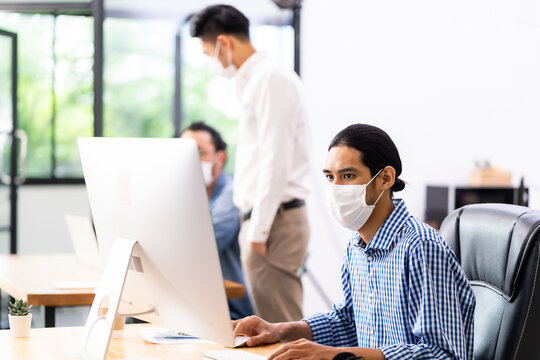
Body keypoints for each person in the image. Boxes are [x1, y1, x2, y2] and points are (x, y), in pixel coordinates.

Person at [232, 124, 476, 360]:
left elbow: (442, 354)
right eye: (330, 177)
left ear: (386, 178)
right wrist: (278, 330)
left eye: (348, 175)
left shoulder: (421, 247)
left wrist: (335, 355)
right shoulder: (356, 246)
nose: (336, 188)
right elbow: (349, 322)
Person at [189, 5, 311, 323]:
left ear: (224, 44)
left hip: (273, 223)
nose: (211, 63)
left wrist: (257, 231)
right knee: (271, 325)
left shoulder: (270, 79)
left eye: (208, 53)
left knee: (281, 325)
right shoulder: (254, 80)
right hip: (264, 220)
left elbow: (275, 159)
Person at [181, 122, 253, 320]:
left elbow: (199, 247)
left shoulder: (232, 196)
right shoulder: (184, 195)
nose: (190, 161)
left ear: (220, 158)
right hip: (195, 301)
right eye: (184, 154)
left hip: (230, 309)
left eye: (199, 153)